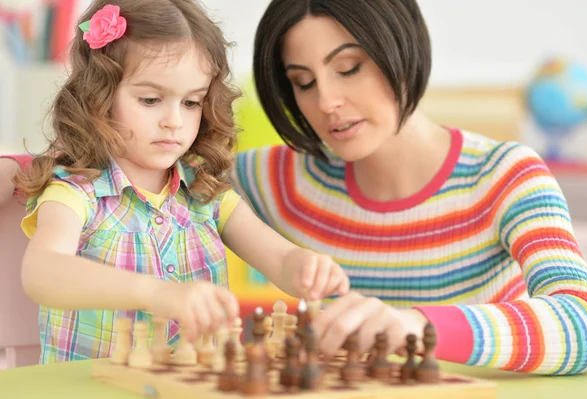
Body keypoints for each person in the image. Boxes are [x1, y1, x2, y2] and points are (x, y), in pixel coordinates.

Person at [2, 0, 587, 375]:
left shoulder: (507, 176)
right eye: (302, 81)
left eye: (350, 67)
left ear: (403, 50)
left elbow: (586, 326)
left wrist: (414, 322)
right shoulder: (277, 179)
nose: (328, 104)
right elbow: (103, 180)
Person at [0, 0, 349, 364]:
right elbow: (43, 272)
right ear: (98, 98)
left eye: (192, 102)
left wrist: (304, 269)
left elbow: (278, 259)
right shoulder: (76, 191)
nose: (174, 121)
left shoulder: (205, 190)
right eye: (151, 99)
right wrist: (155, 294)